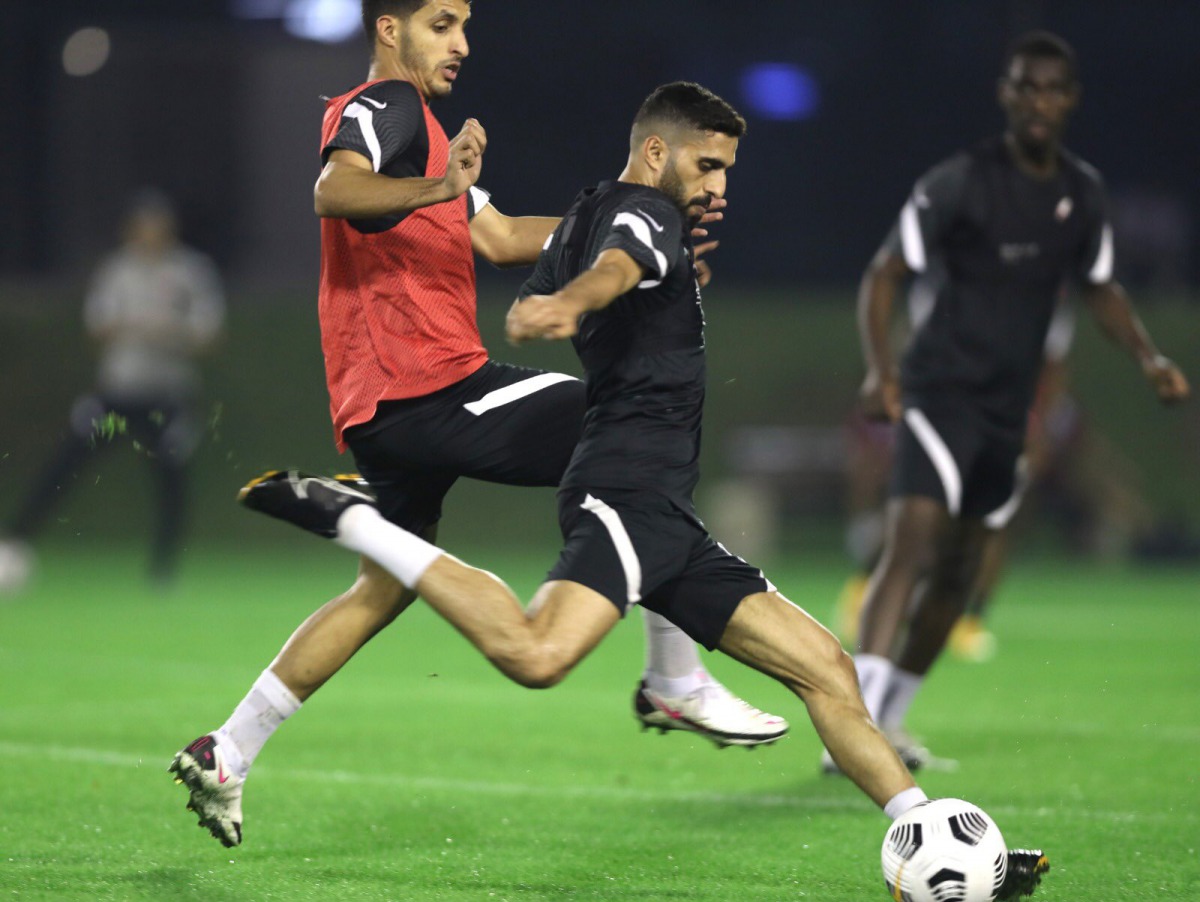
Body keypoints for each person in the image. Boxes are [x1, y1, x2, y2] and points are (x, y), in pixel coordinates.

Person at [188, 81, 1049, 899]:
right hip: (623, 491)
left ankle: (932, 831)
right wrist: (578, 299)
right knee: (537, 654)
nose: (718, 187)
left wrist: (583, 287)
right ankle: (365, 526)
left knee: (826, 667)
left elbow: (560, 248)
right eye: (706, 167)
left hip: (665, 512)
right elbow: (620, 260)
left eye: (726, 173)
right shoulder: (638, 214)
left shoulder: (607, 216)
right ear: (655, 150)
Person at [169, 0, 783, 851]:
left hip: (385, 407)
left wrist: (648, 249)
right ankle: (673, 676)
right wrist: (441, 187)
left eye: (463, 26)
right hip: (427, 386)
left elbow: (498, 239)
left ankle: (228, 749)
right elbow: (332, 191)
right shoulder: (385, 111)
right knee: (633, 427)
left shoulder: (420, 131)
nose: (461, 43)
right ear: (390, 28)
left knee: (380, 589)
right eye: (441, 23)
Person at [845, 30, 1190, 769]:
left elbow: (1099, 288)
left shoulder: (1081, 194)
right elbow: (883, 273)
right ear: (1005, 94)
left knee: (960, 572)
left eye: (1052, 88)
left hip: (1007, 413)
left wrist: (1148, 357)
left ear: (1071, 100)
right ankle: (856, 732)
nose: (1037, 100)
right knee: (914, 537)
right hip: (938, 393)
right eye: (1024, 86)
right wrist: (882, 372)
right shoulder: (961, 181)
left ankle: (892, 720)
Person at [0, 190, 225, 590]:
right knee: (64, 462)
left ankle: (163, 570)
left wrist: (167, 331)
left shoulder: (191, 271)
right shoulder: (117, 270)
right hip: (118, 394)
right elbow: (99, 327)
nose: (150, 233)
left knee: (171, 478)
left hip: (167, 398)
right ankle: (16, 543)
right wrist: (139, 325)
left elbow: (209, 334)